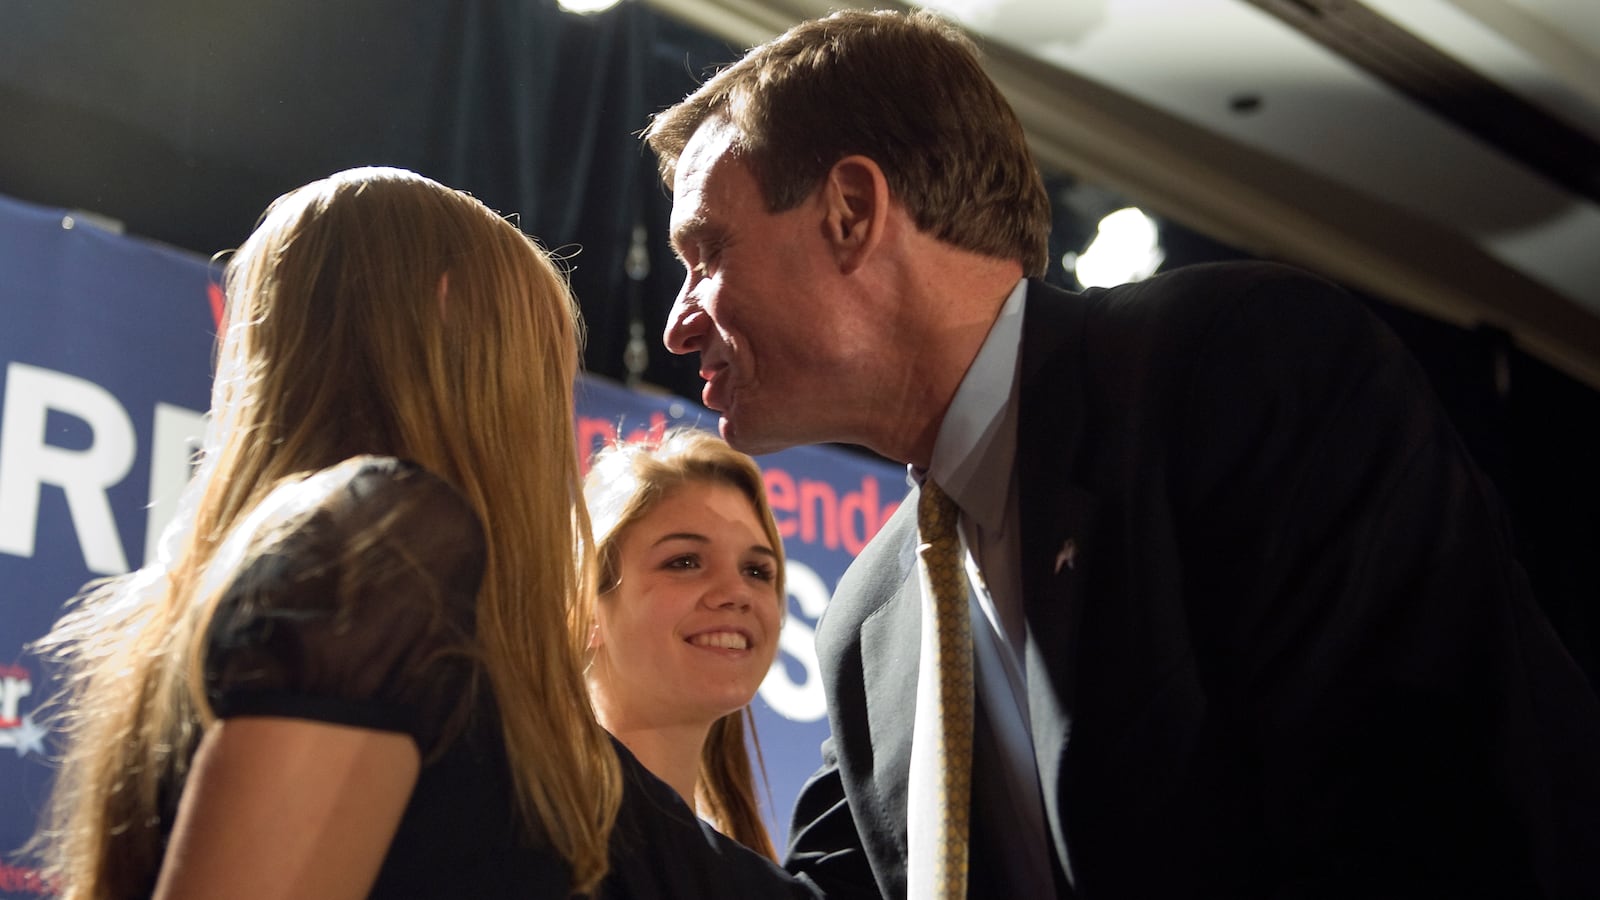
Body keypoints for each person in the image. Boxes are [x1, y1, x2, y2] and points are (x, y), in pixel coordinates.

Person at [643, 9, 1600, 900]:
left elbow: (1437, 808)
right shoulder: (865, 621)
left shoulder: (1237, 367)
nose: (680, 322)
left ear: (851, 210)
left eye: (706, 252)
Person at [25, 167, 810, 900]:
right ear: (447, 318)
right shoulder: (389, 546)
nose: (551, 416)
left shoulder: (258, 589)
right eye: (541, 364)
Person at [582, 428, 784, 860]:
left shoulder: (748, 877)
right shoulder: (513, 829)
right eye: (685, 562)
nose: (737, 592)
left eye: (757, 571)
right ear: (586, 610)